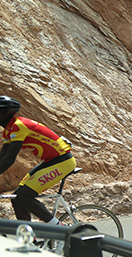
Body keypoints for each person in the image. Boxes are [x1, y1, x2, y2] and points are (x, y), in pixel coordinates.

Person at [0, 96, 76, 224]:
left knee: (24, 196)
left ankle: (60, 228)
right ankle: (28, 234)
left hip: (63, 161)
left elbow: (9, 159)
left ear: (5, 113)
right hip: (51, 161)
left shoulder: (19, 126)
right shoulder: (8, 131)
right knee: (16, 198)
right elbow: (2, 157)